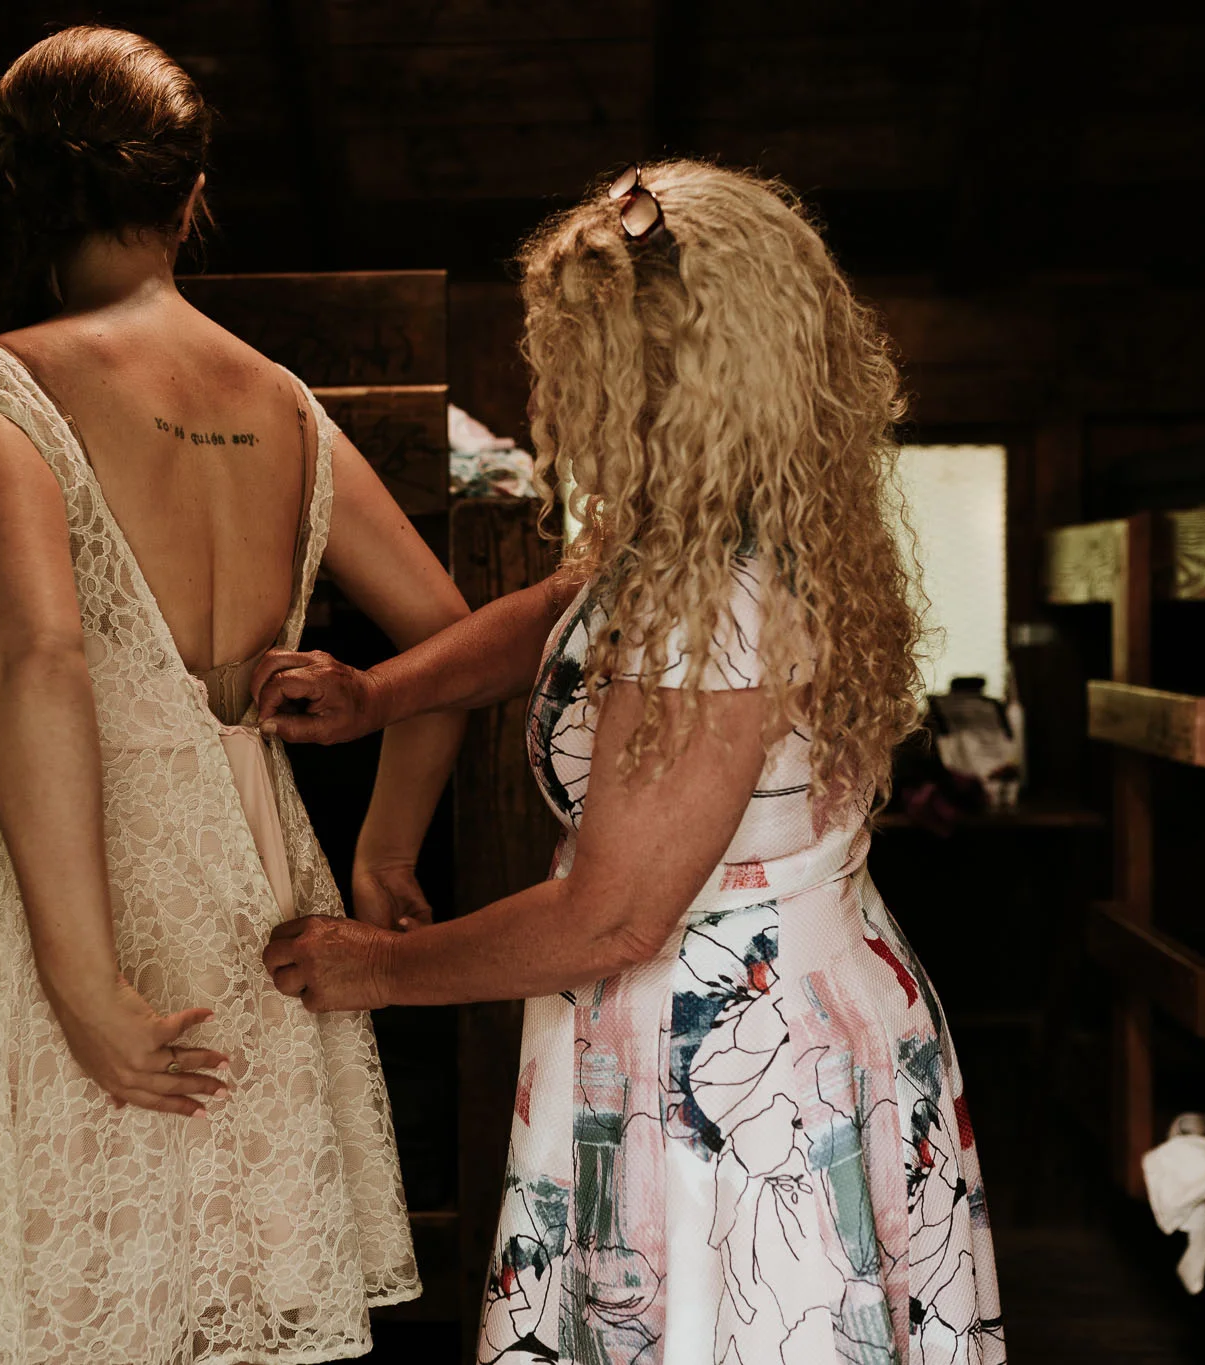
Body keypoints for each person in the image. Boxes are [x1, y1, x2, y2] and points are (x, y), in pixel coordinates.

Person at [258, 162, 1005, 1363]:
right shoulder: (709, 527)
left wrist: (376, 970)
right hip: (795, 999)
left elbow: (611, 919)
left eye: (580, 357)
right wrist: (375, 694)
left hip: (729, 1070)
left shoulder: (715, 604)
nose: (555, 382)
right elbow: (559, 606)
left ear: (675, 379)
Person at [0, 27, 469, 1365]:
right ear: (192, 194)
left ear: (21, 186)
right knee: (230, 1305)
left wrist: (85, 984)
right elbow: (444, 639)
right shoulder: (289, 405)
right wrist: (378, 862)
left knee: (79, 1308)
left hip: (96, 879)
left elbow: (40, 661)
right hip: (270, 879)